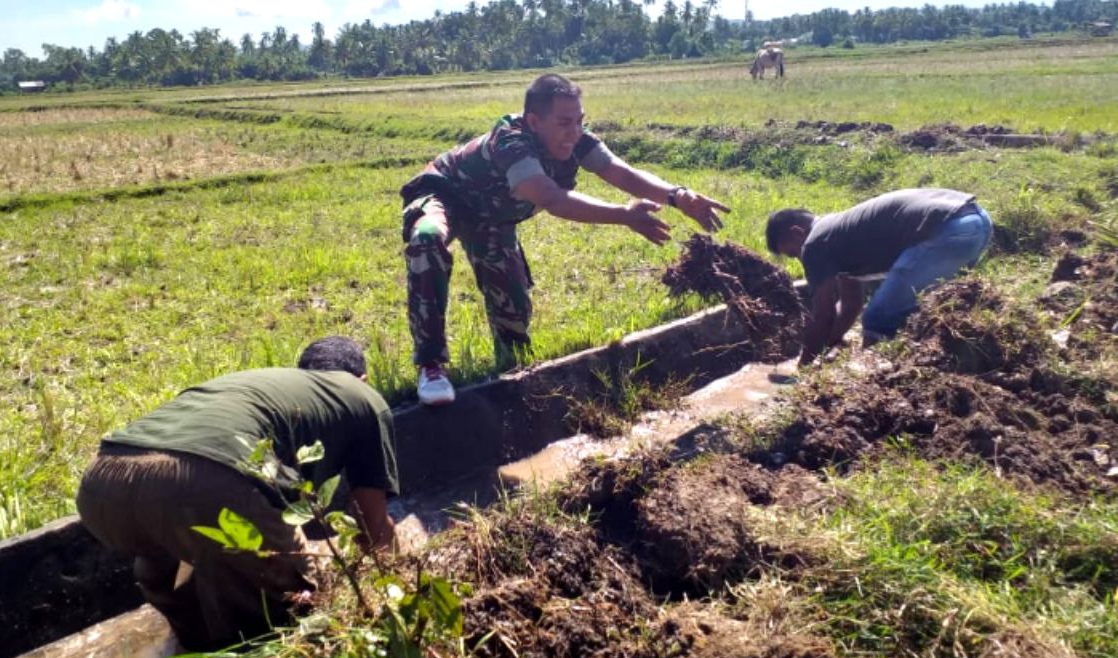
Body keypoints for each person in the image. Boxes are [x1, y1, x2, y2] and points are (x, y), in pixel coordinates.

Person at [401, 72, 730, 405]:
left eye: (580, 121)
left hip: (494, 218)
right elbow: (552, 198)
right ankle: (431, 365)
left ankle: (510, 387)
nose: (574, 132)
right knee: (427, 237)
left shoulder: (577, 140)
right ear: (534, 120)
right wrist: (624, 215)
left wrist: (678, 195)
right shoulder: (512, 140)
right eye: (564, 123)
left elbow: (620, 171)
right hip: (446, 192)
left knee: (513, 324)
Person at [75, 336, 398, 650]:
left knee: (166, 552)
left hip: (100, 485)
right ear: (363, 379)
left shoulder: (266, 385)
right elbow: (372, 524)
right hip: (199, 483)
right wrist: (388, 589)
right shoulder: (362, 396)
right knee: (297, 599)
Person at [765, 188, 993, 365]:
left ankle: (872, 389)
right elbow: (850, 305)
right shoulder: (838, 235)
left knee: (878, 319)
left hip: (948, 230)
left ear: (798, 232)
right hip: (978, 221)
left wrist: (803, 367)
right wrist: (831, 343)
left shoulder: (815, 243)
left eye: (793, 252)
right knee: (926, 312)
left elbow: (823, 314)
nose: (799, 258)